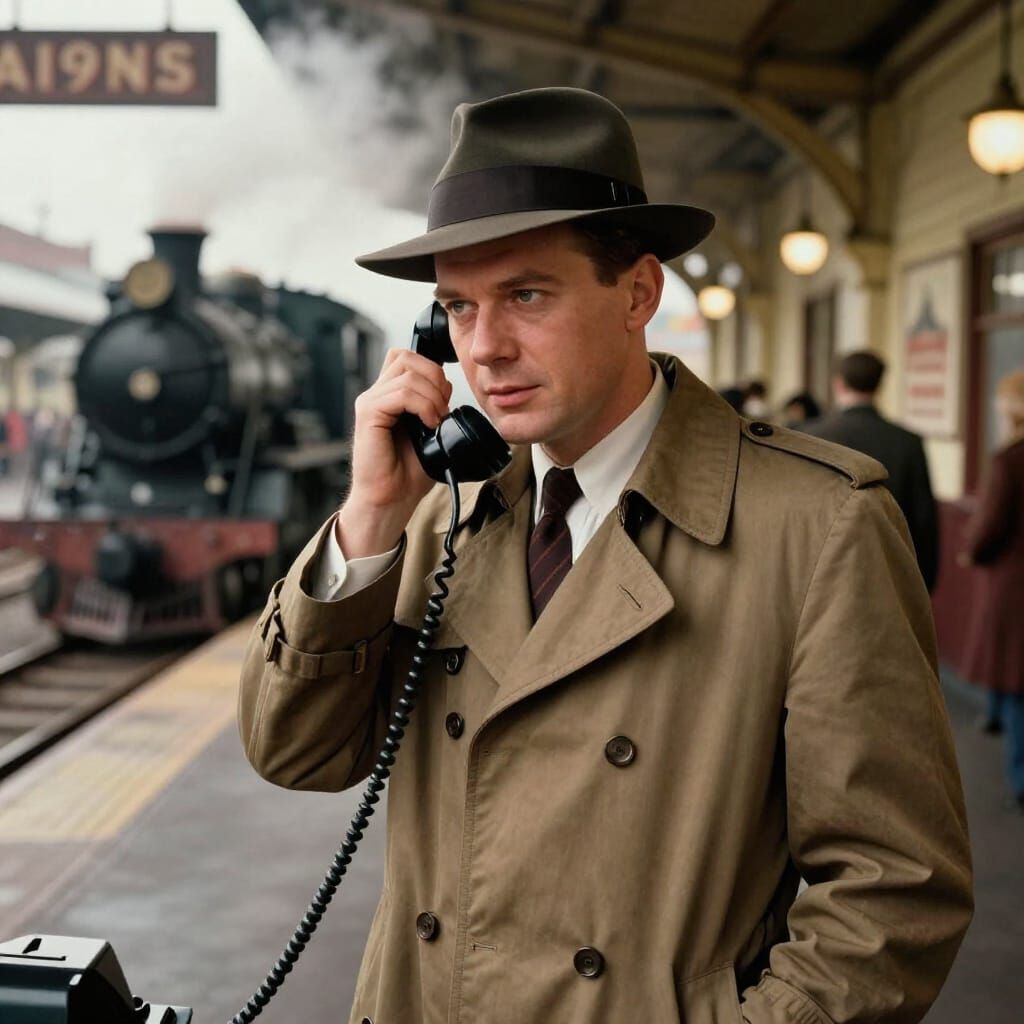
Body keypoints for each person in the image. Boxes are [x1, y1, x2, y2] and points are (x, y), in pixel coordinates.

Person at [238, 88, 971, 1024]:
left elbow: (894, 886)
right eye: (457, 309)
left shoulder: (818, 524)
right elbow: (295, 752)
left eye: (527, 295)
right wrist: (371, 515)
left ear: (638, 292)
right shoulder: (439, 516)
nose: (486, 348)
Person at [803, 351, 940, 591]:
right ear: (880, 384)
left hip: (820, 571)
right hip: (890, 571)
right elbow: (923, 518)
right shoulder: (907, 441)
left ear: (838, 383)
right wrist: (924, 581)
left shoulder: (810, 437)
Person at [960, 369, 1024, 812]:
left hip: (1014, 585)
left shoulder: (1010, 460)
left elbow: (989, 527)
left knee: (1018, 680)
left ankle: (1022, 779)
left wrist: (971, 552)